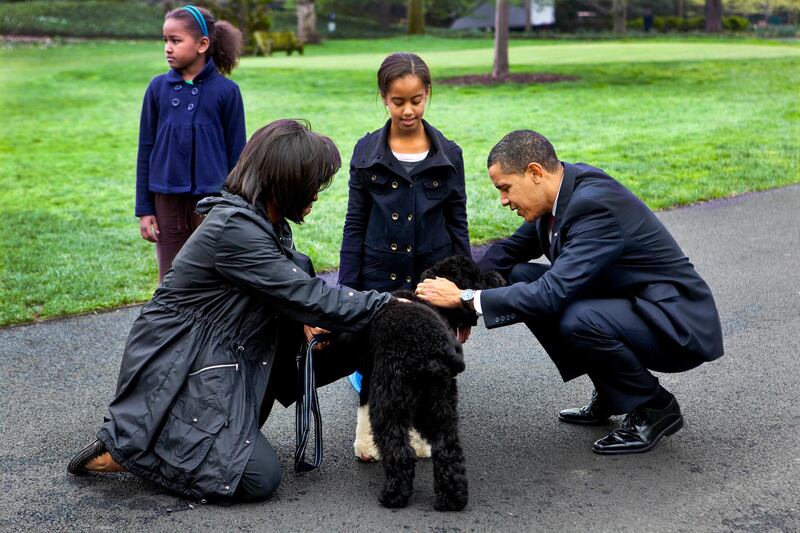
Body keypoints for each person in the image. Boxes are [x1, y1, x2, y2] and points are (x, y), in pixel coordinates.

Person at [67, 120, 398, 502]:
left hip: (234, 361)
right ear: (284, 182)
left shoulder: (260, 222)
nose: (317, 197)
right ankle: (131, 451)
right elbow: (309, 295)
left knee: (360, 332)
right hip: (182, 374)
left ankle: (209, 438)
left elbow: (296, 292)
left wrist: (309, 316)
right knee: (259, 478)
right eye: (312, 186)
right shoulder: (232, 228)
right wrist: (396, 303)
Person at [416, 130, 724, 455]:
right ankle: (613, 390)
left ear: (535, 173)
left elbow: (550, 294)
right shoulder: (560, 193)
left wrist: (465, 299)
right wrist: (452, 292)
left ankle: (654, 407)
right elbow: (506, 253)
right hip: (631, 307)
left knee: (577, 318)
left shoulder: (594, 206)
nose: (503, 200)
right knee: (520, 275)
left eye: (505, 188)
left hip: (675, 324)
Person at [339, 52, 471, 396]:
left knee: (427, 377)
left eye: (416, 100)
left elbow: (458, 224)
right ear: (383, 98)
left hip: (432, 277)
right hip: (380, 274)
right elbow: (354, 223)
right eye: (398, 102)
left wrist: (465, 303)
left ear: (428, 92)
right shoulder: (366, 151)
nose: (408, 110)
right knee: (382, 375)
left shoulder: (450, 155)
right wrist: (347, 292)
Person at [136, 5, 247, 283]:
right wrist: (145, 209)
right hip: (166, 200)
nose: (167, 48)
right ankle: (166, 327)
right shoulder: (157, 88)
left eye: (175, 40)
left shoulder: (227, 92)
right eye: (165, 40)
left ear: (202, 44)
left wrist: (238, 206)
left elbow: (238, 156)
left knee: (213, 276)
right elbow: (145, 150)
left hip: (213, 203)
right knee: (171, 279)